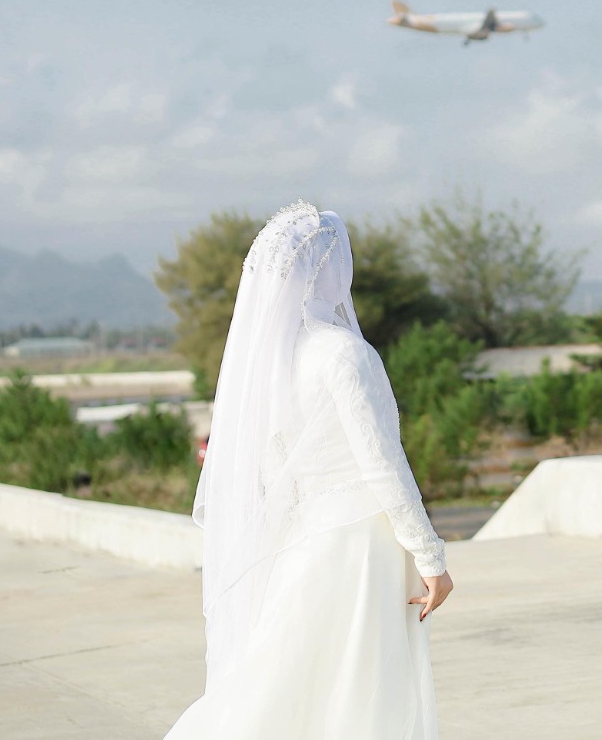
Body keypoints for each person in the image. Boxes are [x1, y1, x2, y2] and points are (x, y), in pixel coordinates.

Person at [165, 201, 452, 739]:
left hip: (304, 540)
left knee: (291, 682)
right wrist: (429, 554)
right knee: (360, 691)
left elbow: (277, 469)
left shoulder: (273, 364)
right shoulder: (344, 354)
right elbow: (383, 463)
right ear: (328, 267)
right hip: (364, 544)